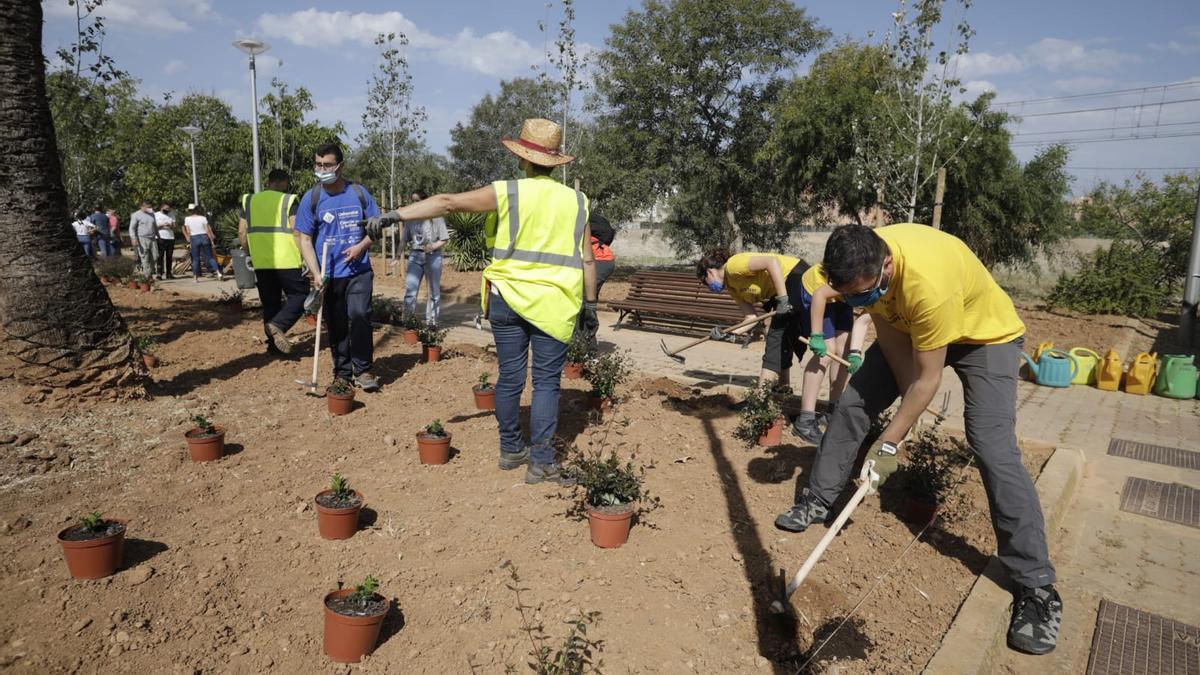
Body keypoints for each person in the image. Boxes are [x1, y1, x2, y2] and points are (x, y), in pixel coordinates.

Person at [773, 223, 1061, 657]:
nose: (856, 303)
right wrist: (896, 427)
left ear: (886, 265)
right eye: (849, 296)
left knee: (990, 443)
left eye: (863, 294)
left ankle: (1036, 584)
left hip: (984, 336)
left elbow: (928, 380)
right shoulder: (858, 266)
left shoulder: (927, 284)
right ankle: (819, 498)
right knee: (853, 404)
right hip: (914, 330)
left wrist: (887, 444)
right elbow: (898, 354)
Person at [367, 118, 597, 485]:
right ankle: (541, 462)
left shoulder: (507, 192)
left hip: (506, 298)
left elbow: (447, 203)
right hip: (554, 304)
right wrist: (590, 306)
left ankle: (510, 449)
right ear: (555, 163)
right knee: (547, 384)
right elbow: (587, 258)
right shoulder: (577, 201)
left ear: (523, 159)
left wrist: (395, 216)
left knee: (509, 377)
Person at [295, 142, 382, 392]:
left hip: (359, 270)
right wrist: (316, 272)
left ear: (340, 166)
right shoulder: (311, 198)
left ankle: (363, 370)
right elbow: (305, 239)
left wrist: (361, 246)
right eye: (318, 164)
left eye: (328, 165)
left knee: (360, 315)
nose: (322, 169)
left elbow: (376, 228)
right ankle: (342, 373)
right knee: (336, 323)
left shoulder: (358, 193)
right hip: (330, 274)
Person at [790, 265, 874, 443]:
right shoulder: (858, 275)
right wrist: (816, 335)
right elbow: (820, 295)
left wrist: (855, 352)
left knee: (843, 348)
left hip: (844, 295)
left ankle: (831, 412)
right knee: (826, 352)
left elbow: (865, 319)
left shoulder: (882, 287)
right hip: (817, 289)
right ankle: (805, 420)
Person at [695, 250, 801, 387]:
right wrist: (728, 334)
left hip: (796, 276)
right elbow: (751, 317)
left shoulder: (733, 266)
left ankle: (760, 400)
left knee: (775, 339)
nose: (708, 287)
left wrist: (783, 300)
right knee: (783, 338)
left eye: (705, 282)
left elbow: (771, 262)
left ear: (710, 272)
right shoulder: (732, 288)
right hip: (785, 290)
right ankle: (783, 389)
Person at [239, 169, 306, 355]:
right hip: (287, 260)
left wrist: (248, 253)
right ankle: (278, 325)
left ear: (268, 182)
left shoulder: (250, 201)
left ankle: (273, 347)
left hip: (261, 262)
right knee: (300, 296)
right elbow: (297, 230)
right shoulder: (289, 200)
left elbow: (242, 232)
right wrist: (306, 256)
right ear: (283, 182)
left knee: (270, 303)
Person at [399, 191, 449, 326]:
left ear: (424, 201)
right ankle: (409, 321)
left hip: (433, 257)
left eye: (417, 201)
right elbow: (404, 239)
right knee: (411, 289)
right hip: (415, 256)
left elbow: (444, 239)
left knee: (433, 291)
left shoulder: (436, 217)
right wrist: (397, 256)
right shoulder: (411, 218)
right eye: (413, 201)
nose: (415, 204)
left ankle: (432, 322)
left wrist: (432, 247)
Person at [183, 204, 223, 282]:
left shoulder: (187, 219)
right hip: (204, 237)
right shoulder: (203, 218)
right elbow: (207, 230)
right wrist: (211, 241)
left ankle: (195, 277)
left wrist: (190, 241)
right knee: (210, 257)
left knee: (196, 259)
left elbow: (188, 231)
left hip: (194, 238)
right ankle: (218, 273)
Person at [129, 201, 157, 278]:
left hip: (152, 238)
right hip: (142, 238)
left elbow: (155, 226)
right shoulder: (136, 215)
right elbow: (132, 228)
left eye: (150, 207)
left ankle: (150, 271)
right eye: (148, 207)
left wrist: (158, 236)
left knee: (155, 256)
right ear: (142, 206)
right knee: (145, 257)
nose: (150, 208)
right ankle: (147, 276)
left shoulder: (151, 214)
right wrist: (133, 238)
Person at [154, 203, 177, 279]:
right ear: (161, 208)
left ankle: (169, 273)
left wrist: (170, 226)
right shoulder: (156, 215)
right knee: (160, 256)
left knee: (169, 256)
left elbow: (174, 226)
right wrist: (162, 225)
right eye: (166, 208)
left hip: (170, 237)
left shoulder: (171, 214)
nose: (168, 210)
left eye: (168, 208)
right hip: (160, 237)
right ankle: (159, 273)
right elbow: (153, 227)